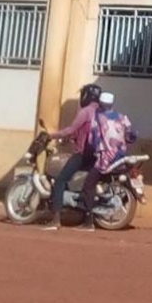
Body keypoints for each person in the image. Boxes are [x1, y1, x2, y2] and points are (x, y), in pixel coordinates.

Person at [44, 83, 102, 231]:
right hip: (97, 155)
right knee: (88, 183)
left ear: (86, 96)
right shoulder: (102, 112)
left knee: (60, 180)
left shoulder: (85, 112)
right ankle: (87, 219)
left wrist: (51, 136)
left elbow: (71, 129)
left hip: (82, 154)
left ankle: (56, 219)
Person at [80, 92, 136, 223]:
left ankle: (88, 220)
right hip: (120, 157)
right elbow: (131, 136)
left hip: (105, 159)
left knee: (88, 184)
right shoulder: (122, 117)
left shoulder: (97, 118)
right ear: (112, 104)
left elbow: (92, 140)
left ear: (100, 104)